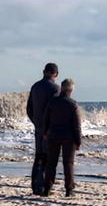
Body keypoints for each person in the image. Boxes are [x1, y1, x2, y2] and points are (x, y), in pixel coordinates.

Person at [42, 78, 83, 197]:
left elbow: (46, 119)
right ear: (70, 90)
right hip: (69, 137)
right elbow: (77, 125)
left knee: (51, 163)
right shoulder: (73, 104)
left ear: (62, 88)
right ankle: (69, 190)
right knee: (68, 163)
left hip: (53, 135)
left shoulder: (52, 102)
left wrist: (45, 132)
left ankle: (47, 188)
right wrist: (78, 141)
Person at [26, 62, 60, 195]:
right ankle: (44, 187)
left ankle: (35, 186)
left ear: (43, 71)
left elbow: (29, 109)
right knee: (48, 158)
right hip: (50, 129)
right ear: (55, 74)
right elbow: (54, 110)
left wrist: (36, 122)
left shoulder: (35, 86)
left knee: (38, 156)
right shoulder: (55, 88)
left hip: (38, 127)